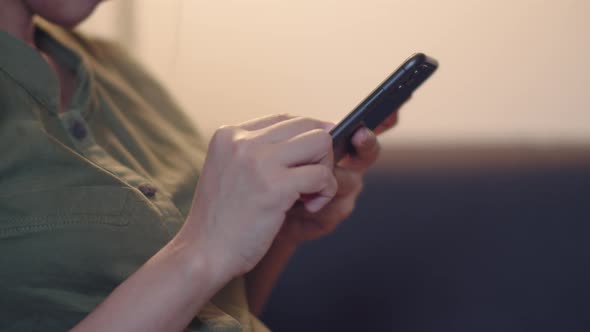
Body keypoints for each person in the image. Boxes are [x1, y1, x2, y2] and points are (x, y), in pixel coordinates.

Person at [0, 1, 401, 331]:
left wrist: (278, 231)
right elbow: (203, 254)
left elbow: (216, 313)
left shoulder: (119, 71)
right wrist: (202, 250)